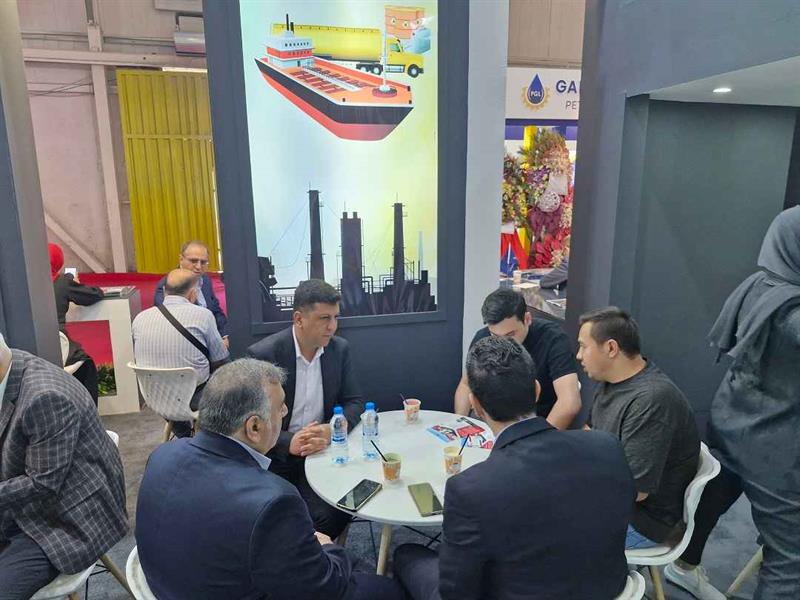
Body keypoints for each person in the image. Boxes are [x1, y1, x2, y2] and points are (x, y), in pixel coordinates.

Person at [135, 358, 404, 600]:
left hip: (163, 586)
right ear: (254, 427)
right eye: (280, 407)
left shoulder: (161, 455)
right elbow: (324, 588)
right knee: (387, 589)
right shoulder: (273, 501)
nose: (285, 411)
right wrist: (328, 547)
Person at [394, 336, 634, 600]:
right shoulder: (608, 446)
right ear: (537, 390)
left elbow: (455, 593)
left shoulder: (470, 489)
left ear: (476, 404)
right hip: (609, 589)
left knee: (406, 554)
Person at [664, 206, 800, 600]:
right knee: (790, 557)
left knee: (711, 499)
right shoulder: (791, 310)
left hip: (732, 419)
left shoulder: (760, 285)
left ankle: (683, 565)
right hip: (774, 447)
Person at [0, 333, 128, 600]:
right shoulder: (11, 367)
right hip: (27, 499)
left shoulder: (44, 397)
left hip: (69, 516)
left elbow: (42, 484)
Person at [246, 279, 362, 538]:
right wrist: (290, 442)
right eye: (324, 318)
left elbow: (355, 402)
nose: (332, 326)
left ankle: (319, 552)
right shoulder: (265, 355)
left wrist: (332, 429)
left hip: (323, 451)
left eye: (335, 317)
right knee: (283, 514)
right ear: (299, 319)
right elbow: (250, 422)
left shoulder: (339, 350)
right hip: (276, 453)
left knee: (341, 507)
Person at [577, 307, 700, 550]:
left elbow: (636, 490)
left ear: (611, 348)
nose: (579, 355)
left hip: (642, 521)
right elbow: (588, 435)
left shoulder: (652, 401)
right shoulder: (610, 381)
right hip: (610, 497)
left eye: (583, 346)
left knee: (542, 532)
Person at [454, 288, 581, 430]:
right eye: (495, 336)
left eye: (510, 335)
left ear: (527, 319)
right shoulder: (483, 338)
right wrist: (459, 425)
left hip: (539, 422)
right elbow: (465, 385)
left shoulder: (553, 338)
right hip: (495, 421)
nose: (503, 343)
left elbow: (569, 403)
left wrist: (538, 439)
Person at [133, 269, 229, 437]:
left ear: (164, 291)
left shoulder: (139, 318)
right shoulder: (203, 315)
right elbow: (220, 359)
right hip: (194, 398)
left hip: (155, 397)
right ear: (193, 294)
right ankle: (211, 437)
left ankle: (183, 434)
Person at [48, 242, 104, 405]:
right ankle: (89, 411)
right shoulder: (62, 283)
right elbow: (94, 295)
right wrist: (74, 283)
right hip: (57, 344)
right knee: (85, 364)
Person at [153, 240, 229, 348]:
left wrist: (224, 335)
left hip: (211, 338)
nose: (198, 267)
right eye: (193, 261)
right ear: (181, 259)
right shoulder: (167, 285)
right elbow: (173, 323)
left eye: (203, 262)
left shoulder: (205, 280)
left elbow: (215, 310)